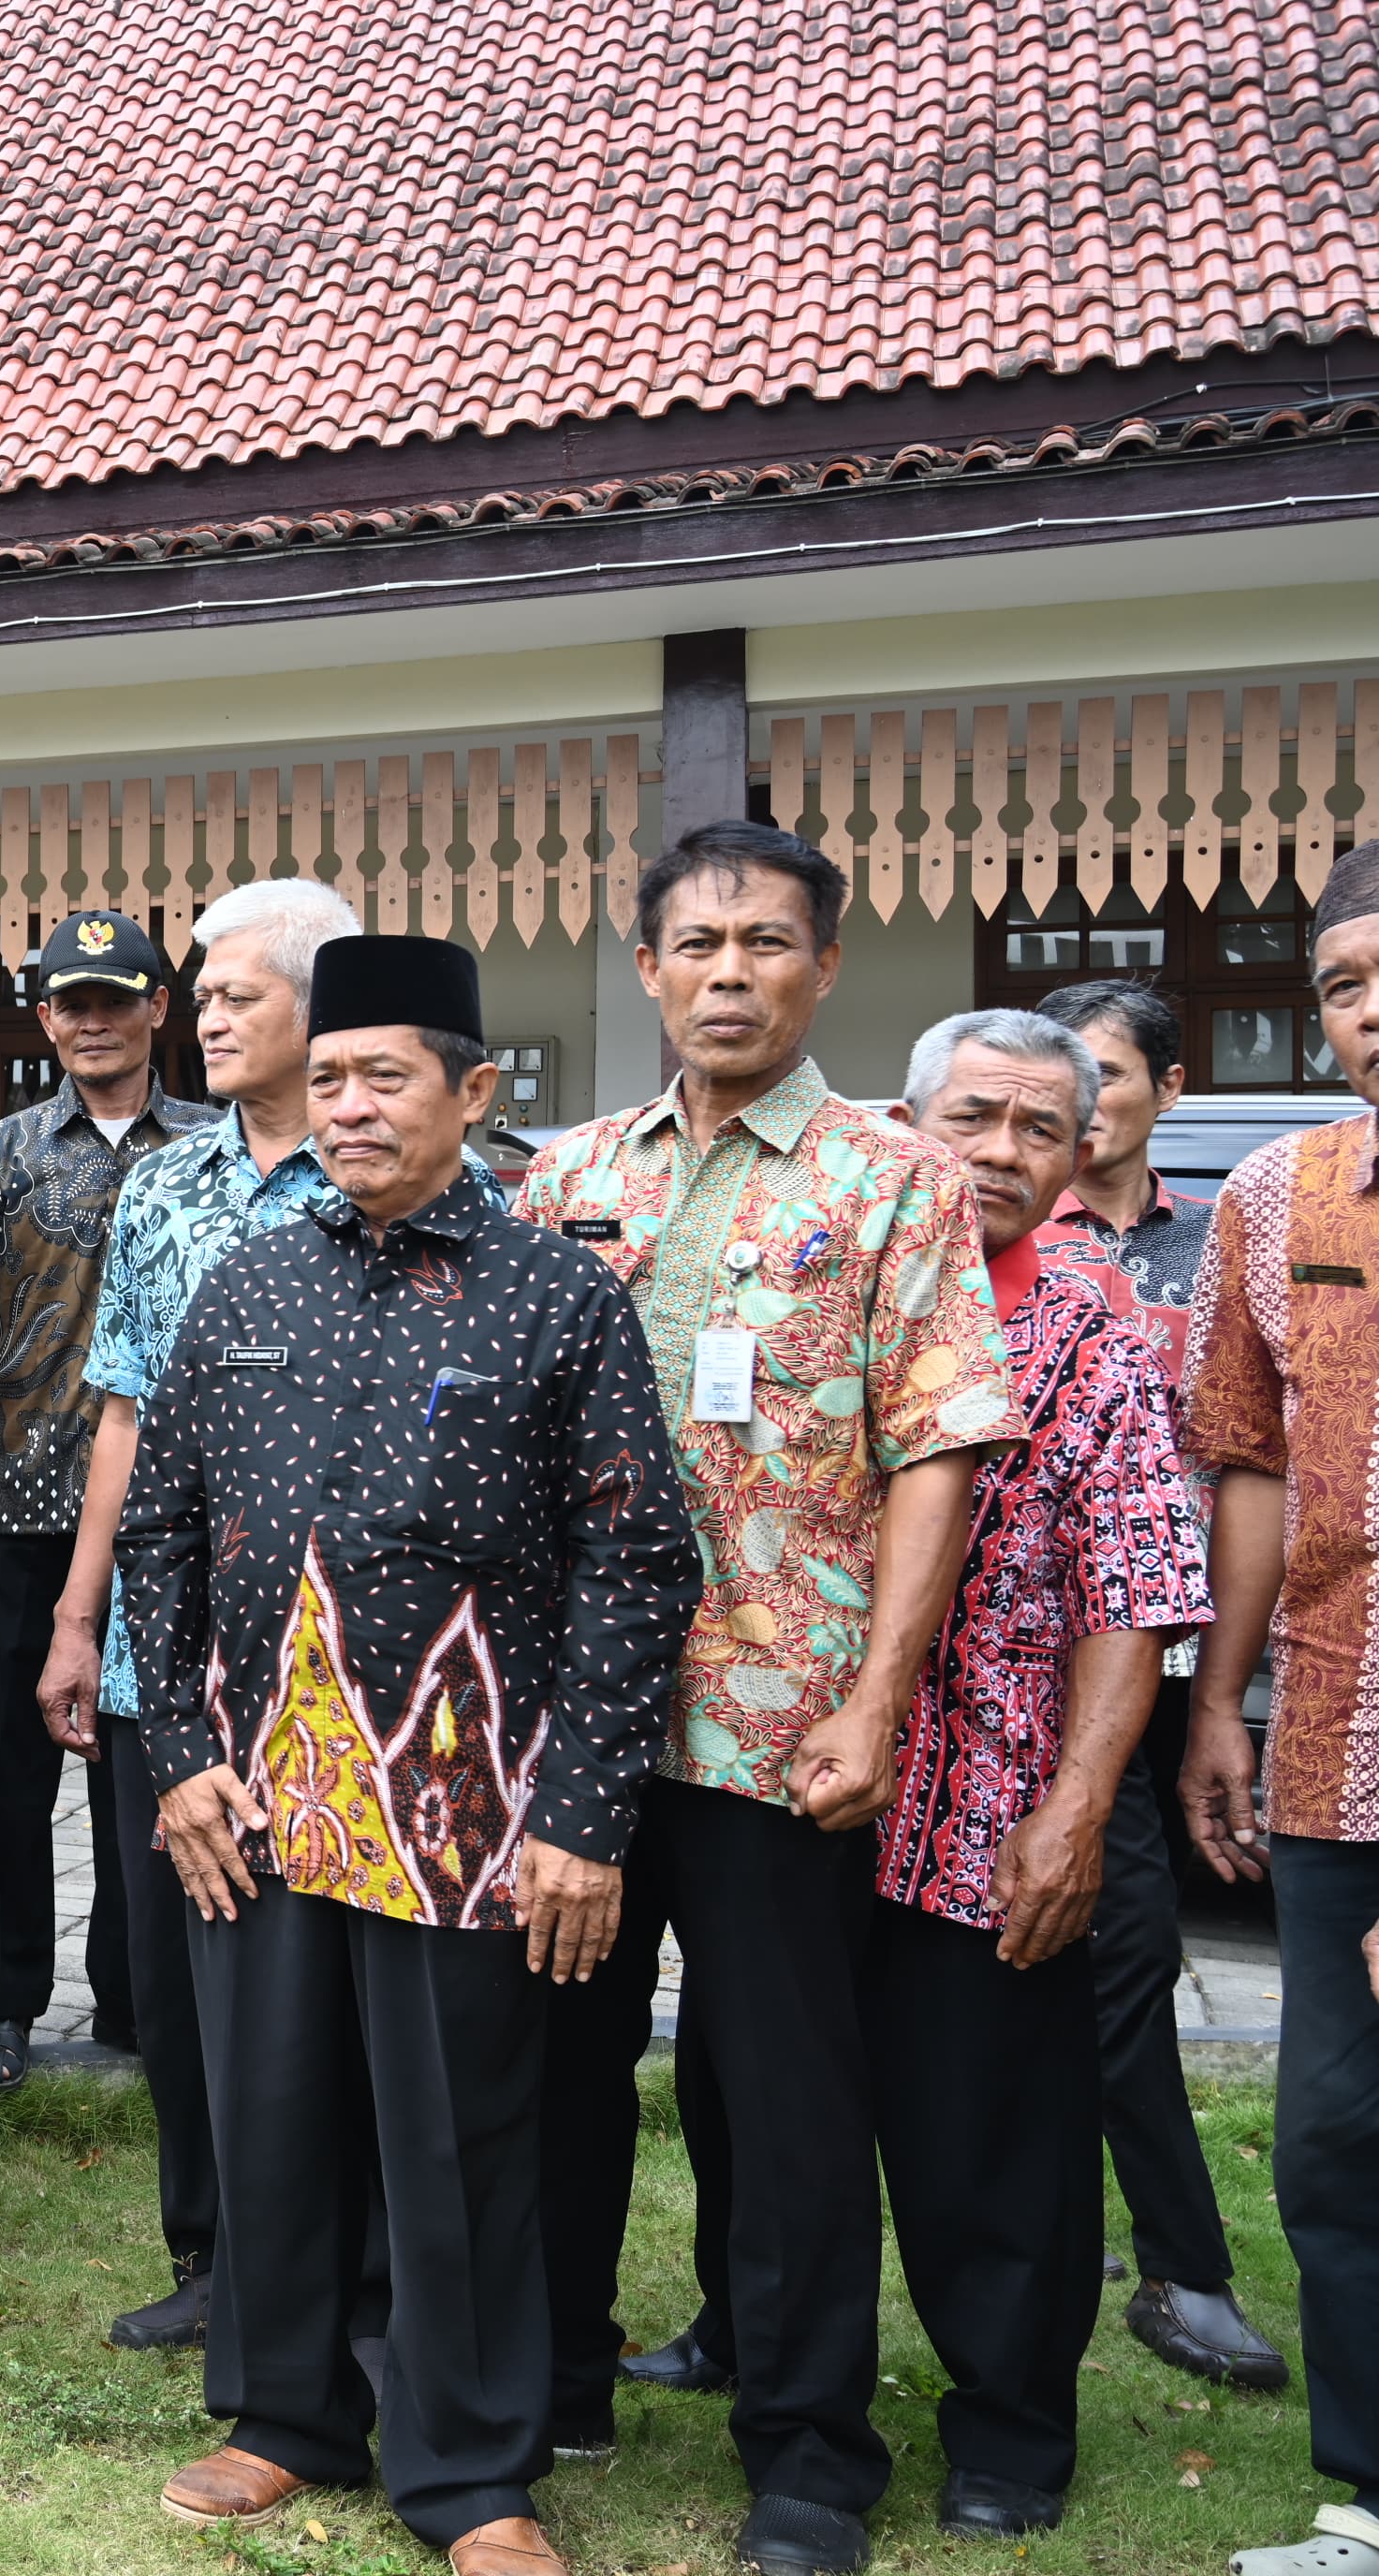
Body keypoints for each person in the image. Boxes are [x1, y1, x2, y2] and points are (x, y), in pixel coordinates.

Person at [122, 934, 696, 2576]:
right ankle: (281, 2413)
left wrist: (579, 1816)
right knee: (272, 2115)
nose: (350, 1106)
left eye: (384, 1075)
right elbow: (156, 1528)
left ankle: (464, 2468)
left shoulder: (554, 1295)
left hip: (467, 1804)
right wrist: (175, 1756)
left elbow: (639, 1558)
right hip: (258, 1795)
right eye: (328, 1081)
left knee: (456, 2143)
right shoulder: (246, 1283)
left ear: (473, 1089)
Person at [517, 820, 1023, 2576]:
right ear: (644, 966)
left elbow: (937, 1449)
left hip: (778, 1725)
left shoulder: (895, 1183)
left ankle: (807, 2451)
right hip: (572, 1728)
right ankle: (549, 2375)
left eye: (764, 941)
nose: (727, 970)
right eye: (695, 941)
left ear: (822, 967)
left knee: (793, 2096)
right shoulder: (564, 1174)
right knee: (553, 2067)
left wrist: (878, 1695)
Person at [868, 1010, 1209, 2536]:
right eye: (970, 1116)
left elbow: (1132, 1594)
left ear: (1079, 1156)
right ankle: (765, 2365)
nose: (995, 1153)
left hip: (981, 1813)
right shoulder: (829, 1296)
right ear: (905, 1119)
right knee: (774, 2118)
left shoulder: (1092, 1340)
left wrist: (1073, 1815)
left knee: (988, 2142)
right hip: (795, 1806)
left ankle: (1006, 2426)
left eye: (1033, 1129)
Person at [32, 874, 370, 2349]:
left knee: (323, 1978)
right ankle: (212, 2255)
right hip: (167, 1649)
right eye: (207, 994)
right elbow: (120, 1416)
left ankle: (343, 2266)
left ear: (323, 1001)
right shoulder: (165, 1187)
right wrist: (74, 1619)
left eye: (236, 993)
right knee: (175, 1973)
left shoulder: (402, 1174)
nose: (208, 1016)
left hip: (349, 1657)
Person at [1032, 976, 1289, 2391]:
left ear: (1165, 1093)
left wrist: (1214, 1698)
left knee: (1125, 1956)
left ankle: (1179, 2268)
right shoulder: (990, 1233)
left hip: (1164, 1655)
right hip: (1018, 1665)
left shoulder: (1215, 1241)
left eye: (1109, 1074)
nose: (1079, 1099)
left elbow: (1252, 1458)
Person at [1180, 839, 1379, 2576]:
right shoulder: (1273, 1194)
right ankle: (1364, 2499)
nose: (1368, 1014)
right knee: (1330, 2131)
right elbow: (1243, 1467)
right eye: (1339, 983)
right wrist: (1217, 1705)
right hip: (1331, 1744)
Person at [0, 906, 203, 2087]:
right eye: (70, 1002)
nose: (92, 1020)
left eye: (116, 997)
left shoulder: (208, 1146)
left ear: (159, 1007)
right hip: (22, 1499)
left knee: (142, 1769)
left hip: (169, 1509)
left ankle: (140, 2002)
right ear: (43, 1018)